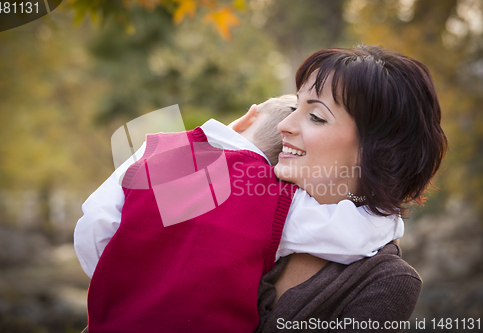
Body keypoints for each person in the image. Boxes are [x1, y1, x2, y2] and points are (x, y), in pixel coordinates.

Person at [75, 95, 403, 333]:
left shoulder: (158, 149)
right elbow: (348, 237)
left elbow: (95, 222)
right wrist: (391, 219)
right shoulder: (274, 195)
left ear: (248, 117)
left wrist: (124, 280)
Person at [254, 46, 448, 332]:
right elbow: (165, 204)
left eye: (316, 116)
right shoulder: (248, 190)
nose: (285, 125)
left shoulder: (386, 281)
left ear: (375, 151)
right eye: (296, 107)